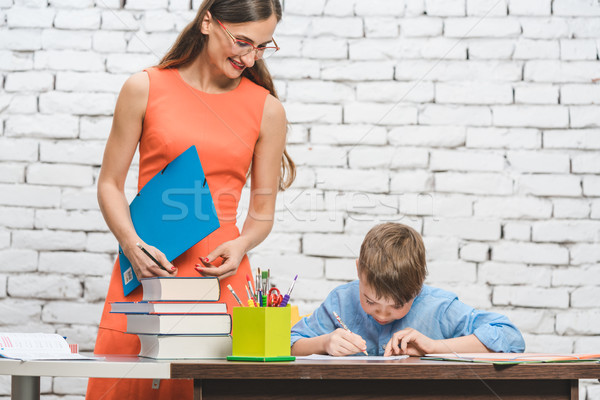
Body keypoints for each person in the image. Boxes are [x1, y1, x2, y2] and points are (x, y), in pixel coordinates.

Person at [87, 0, 294, 398]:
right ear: (206, 22)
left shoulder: (267, 110)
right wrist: (131, 245)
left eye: (263, 47)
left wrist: (242, 244)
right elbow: (109, 184)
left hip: (219, 279)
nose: (250, 58)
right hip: (147, 271)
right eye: (242, 42)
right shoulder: (145, 87)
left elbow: (262, 213)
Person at [291, 223, 525, 357]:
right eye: (370, 302)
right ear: (358, 270)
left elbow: (510, 337)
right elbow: (289, 342)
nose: (382, 314)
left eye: (397, 306)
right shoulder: (340, 302)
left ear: (419, 285)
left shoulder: (439, 308)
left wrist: (434, 347)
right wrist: (323, 343)